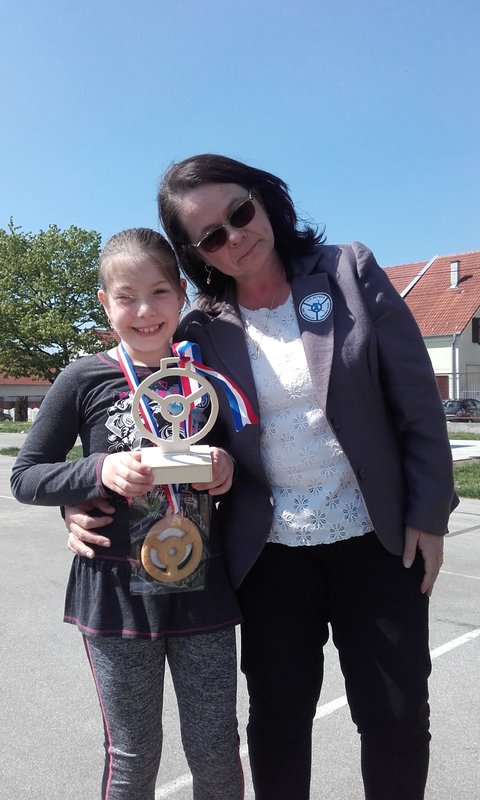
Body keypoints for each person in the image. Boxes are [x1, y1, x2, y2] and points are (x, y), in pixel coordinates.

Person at [67, 155, 457, 800]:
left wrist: (429, 514)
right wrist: (80, 499)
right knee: (277, 722)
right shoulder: (197, 327)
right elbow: (148, 430)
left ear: (265, 198)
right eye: (210, 236)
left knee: (395, 718)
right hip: (267, 555)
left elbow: (417, 405)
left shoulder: (348, 271)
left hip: (378, 543)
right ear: (196, 255)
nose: (235, 237)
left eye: (240, 213)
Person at [10, 227, 245, 800]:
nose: (145, 311)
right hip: (116, 593)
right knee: (133, 754)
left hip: (202, 587)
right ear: (104, 302)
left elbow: (243, 462)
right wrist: (98, 471)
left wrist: (227, 470)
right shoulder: (83, 377)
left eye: (160, 292)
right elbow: (26, 475)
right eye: (126, 297)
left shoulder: (206, 374)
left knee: (216, 747)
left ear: (182, 292)